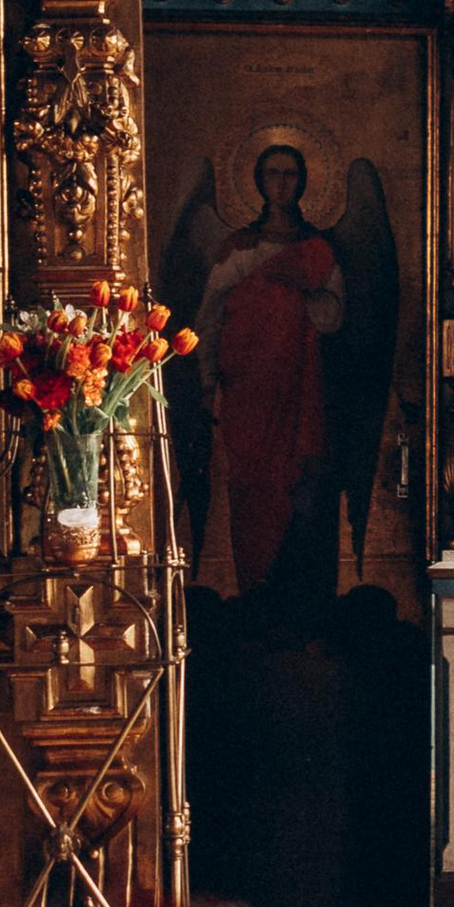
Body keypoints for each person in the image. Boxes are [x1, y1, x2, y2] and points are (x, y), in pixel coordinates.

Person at [192, 142, 346, 614]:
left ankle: (300, 603)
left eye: (290, 174)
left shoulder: (317, 250)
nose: (281, 183)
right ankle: (254, 597)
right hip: (247, 392)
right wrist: (206, 384)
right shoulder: (240, 248)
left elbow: (333, 318)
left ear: (304, 181)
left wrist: (302, 292)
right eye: (272, 174)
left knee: (301, 487)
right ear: (258, 181)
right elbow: (210, 320)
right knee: (253, 490)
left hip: (301, 388)